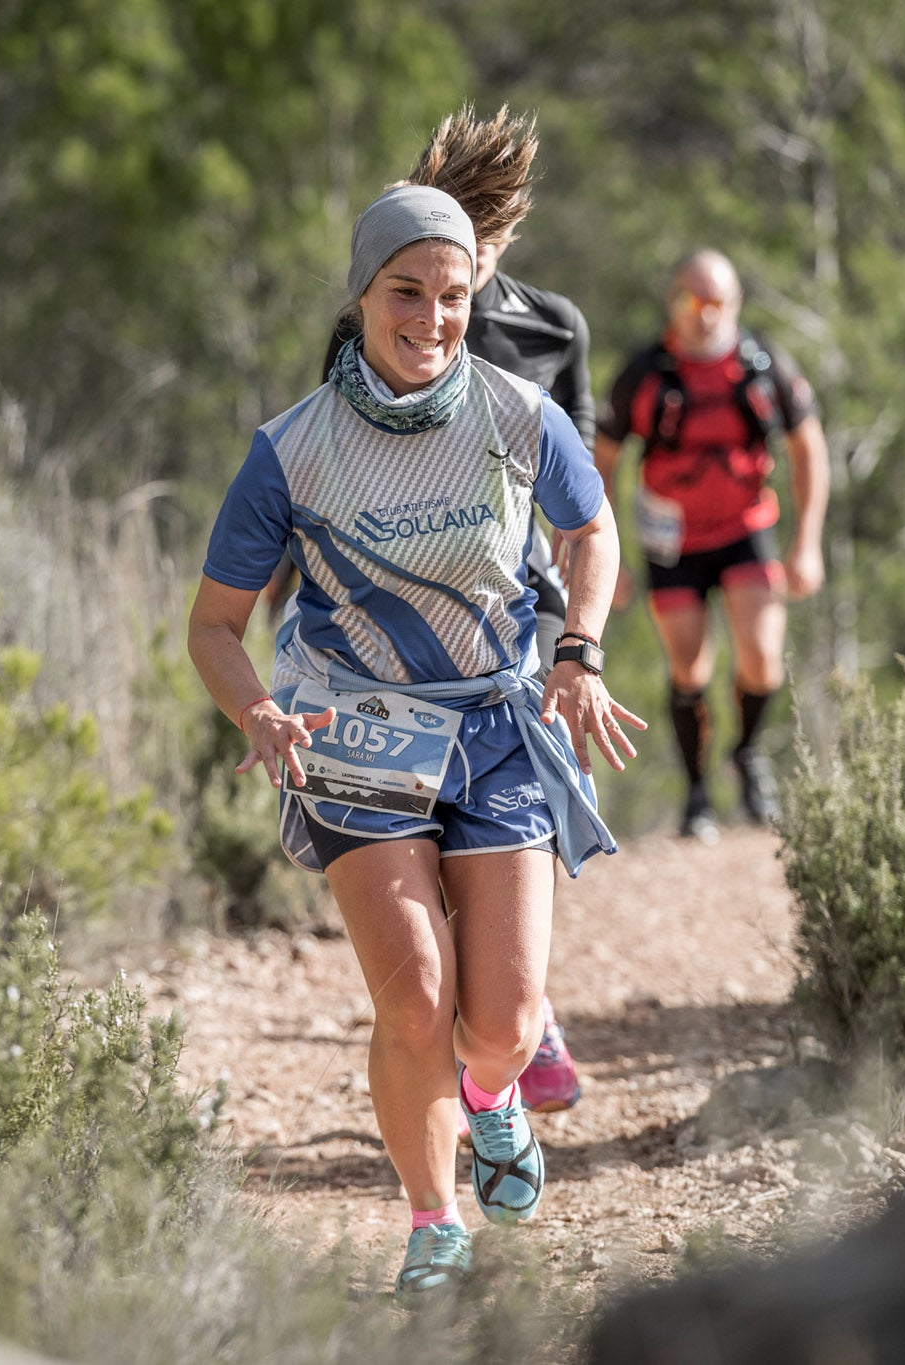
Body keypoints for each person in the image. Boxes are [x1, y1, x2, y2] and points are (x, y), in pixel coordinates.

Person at [189, 186, 646, 1305]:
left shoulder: (515, 411)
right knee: (412, 1001)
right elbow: (212, 625)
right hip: (355, 734)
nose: (431, 318)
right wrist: (256, 708)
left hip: (495, 729)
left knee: (504, 1024)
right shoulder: (291, 451)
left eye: (452, 296)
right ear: (361, 294)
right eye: (406, 292)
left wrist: (576, 650)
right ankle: (432, 1223)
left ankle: (492, 1104)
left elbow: (591, 528)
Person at [309, 105, 595, 1115]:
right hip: (400, 630)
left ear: (506, 231)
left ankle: (524, 1016)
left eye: (483, 226)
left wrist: (576, 639)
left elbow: (581, 491)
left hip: (522, 607)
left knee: (519, 812)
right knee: (421, 848)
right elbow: (334, 478)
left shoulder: (551, 326)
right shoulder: (376, 315)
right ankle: (465, 1030)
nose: (457, 256)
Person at [593, 250, 829, 842]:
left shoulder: (764, 365)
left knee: (761, 658)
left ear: (736, 304)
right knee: (689, 666)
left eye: (717, 302)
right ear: (672, 301)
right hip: (671, 541)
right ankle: (697, 794)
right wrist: (603, 556)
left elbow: (809, 450)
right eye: (692, 301)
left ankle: (746, 756)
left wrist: (807, 543)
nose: (705, 314)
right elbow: (601, 463)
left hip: (746, 529)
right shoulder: (644, 374)